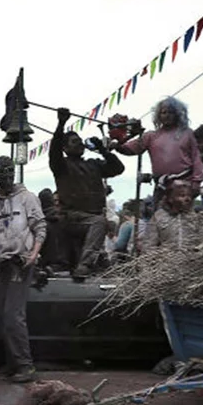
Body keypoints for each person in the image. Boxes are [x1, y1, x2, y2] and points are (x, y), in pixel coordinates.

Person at [0, 156, 45, 384]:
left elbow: (40, 227)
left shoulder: (27, 198)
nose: (6, 176)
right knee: (2, 315)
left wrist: (33, 254)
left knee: (13, 315)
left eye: (9, 171)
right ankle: (12, 364)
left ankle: (25, 365)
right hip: (4, 264)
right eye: (1, 172)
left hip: (22, 261)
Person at [49, 107, 125, 280]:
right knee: (99, 222)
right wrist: (61, 124)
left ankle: (92, 262)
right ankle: (85, 264)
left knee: (98, 222)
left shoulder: (93, 164)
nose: (80, 144)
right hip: (73, 217)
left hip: (92, 218)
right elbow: (54, 149)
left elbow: (118, 168)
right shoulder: (62, 166)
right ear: (65, 148)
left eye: (81, 141)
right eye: (75, 142)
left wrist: (103, 150)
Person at [114, 96, 203, 198]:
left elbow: (197, 158)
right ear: (159, 115)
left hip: (184, 184)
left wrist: (197, 181)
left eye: (171, 112)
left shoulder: (187, 133)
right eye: (164, 112)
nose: (167, 116)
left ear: (177, 114)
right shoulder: (151, 136)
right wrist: (117, 143)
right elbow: (130, 149)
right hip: (161, 186)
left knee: (183, 213)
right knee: (160, 213)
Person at [140, 179, 198, 253]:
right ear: (170, 198)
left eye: (189, 196)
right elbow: (148, 246)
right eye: (182, 195)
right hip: (166, 261)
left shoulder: (195, 217)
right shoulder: (159, 217)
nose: (187, 199)